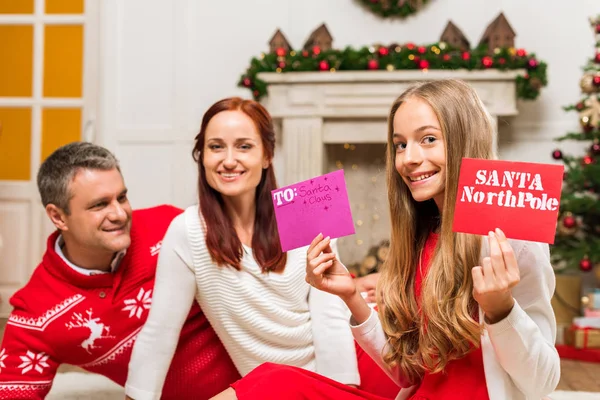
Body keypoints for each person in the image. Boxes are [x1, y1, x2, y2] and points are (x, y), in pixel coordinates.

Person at [220, 79, 561, 400]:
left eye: (428, 139)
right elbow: (411, 377)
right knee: (271, 381)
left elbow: (542, 382)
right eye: (400, 144)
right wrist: (351, 296)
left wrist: (501, 310)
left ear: (463, 139)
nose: (409, 158)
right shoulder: (422, 238)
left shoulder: (512, 239)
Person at [126, 97, 399, 400]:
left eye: (244, 146)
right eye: (216, 147)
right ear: (201, 155)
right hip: (275, 383)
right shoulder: (186, 230)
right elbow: (160, 332)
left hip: (358, 364)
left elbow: (331, 320)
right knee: (269, 381)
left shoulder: (307, 211)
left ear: (267, 155)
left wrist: (339, 391)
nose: (229, 160)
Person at [0, 142, 241, 399]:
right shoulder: (38, 315)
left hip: (270, 374)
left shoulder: (170, 227)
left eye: (122, 197)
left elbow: (256, 242)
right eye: (99, 205)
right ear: (58, 217)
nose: (120, 214)